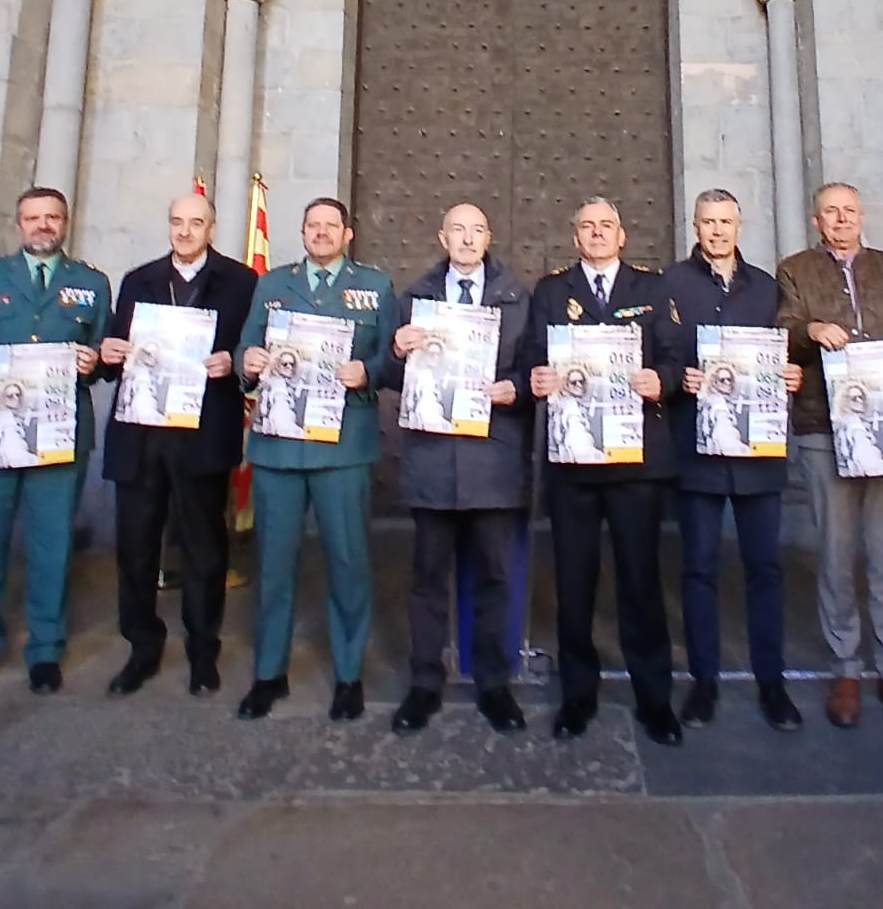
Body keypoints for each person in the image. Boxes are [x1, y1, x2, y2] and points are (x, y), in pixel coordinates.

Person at [776, 182, 883, 730]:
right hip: (826, 424)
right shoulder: (796, 268)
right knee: (837, 553)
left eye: (849, 211)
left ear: (861, 217)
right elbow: (784, 328)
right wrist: (811, 330)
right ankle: (845, 664)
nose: (841, 220)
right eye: (830, 213)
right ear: (816, 221)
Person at [234, 197, 397, 722]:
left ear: (348, 234)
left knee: (348, 562)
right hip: (279, 445)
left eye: (332, 226)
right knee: (275, 564)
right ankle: (268, 673)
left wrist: (367, 372)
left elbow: (393, 359)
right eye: (313, 226)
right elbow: (245, 349)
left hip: (343, 447)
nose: (322, 233)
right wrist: (250, 363)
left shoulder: (375, 287)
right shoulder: (273, 284)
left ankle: (349, 674)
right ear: (302, 233)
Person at [0, 187, 111, 701]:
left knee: (52, 544)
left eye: (52, 218)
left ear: (65, 223)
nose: (42, 226)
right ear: (18, 224)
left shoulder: (91, 283)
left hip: (59, 435)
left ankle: (45, 650)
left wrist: (95, 362)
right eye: (32, 218)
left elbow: (104, 352)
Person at [523, 197, 678, 745]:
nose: (596, 234)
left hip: (637, 461)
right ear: (575, 237)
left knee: (640, 581)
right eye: (586, 226)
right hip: (574, 463)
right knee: (574, 582)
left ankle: (655, 699)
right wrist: (537, 378)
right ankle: (577, 696)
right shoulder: (551, 290)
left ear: (623, 234)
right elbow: (529, 359)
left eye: (605, 225)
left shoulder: (652, 289)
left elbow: (675, 355)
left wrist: (664, 380)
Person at [654, 188, 805, 732]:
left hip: (756, 452)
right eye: (708, 222)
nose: (717, 231)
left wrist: (790, 377)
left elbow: (785, 352)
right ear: (694, 226)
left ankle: (773, 684)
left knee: (765, 568)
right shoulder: (669, 285)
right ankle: (704, 683)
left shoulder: (767, 287)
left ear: (740, 226)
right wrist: (680, 379)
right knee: (698, 569)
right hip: (697, 448)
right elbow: (659, 356)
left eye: (726, 222)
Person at [99, 192, 258, 698]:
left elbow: (255, 350)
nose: (185, 231)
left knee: (205, 551)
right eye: (177, 222)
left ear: (212, 228)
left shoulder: (241, 282)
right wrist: (110, 351)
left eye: (196, 223)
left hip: (203, 435)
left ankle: (202, 651)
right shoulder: (138, 280)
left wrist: (234, 361)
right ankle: (142, 648)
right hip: (141, 436)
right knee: (136, 550)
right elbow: (112, 356)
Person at [389, 202, 532, 735]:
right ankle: (425, 683)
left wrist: (514, 388)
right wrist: (397, 349)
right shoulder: (417, 297)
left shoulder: (518, 296)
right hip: (432, 460)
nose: (468, 239)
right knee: (427, 577)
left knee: (493, 576)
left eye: (476, 231)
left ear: (488, 237)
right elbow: (388, 372)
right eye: (458, 231)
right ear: (442, 237)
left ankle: (494, 684)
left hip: (492, 458)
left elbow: (533, 367)